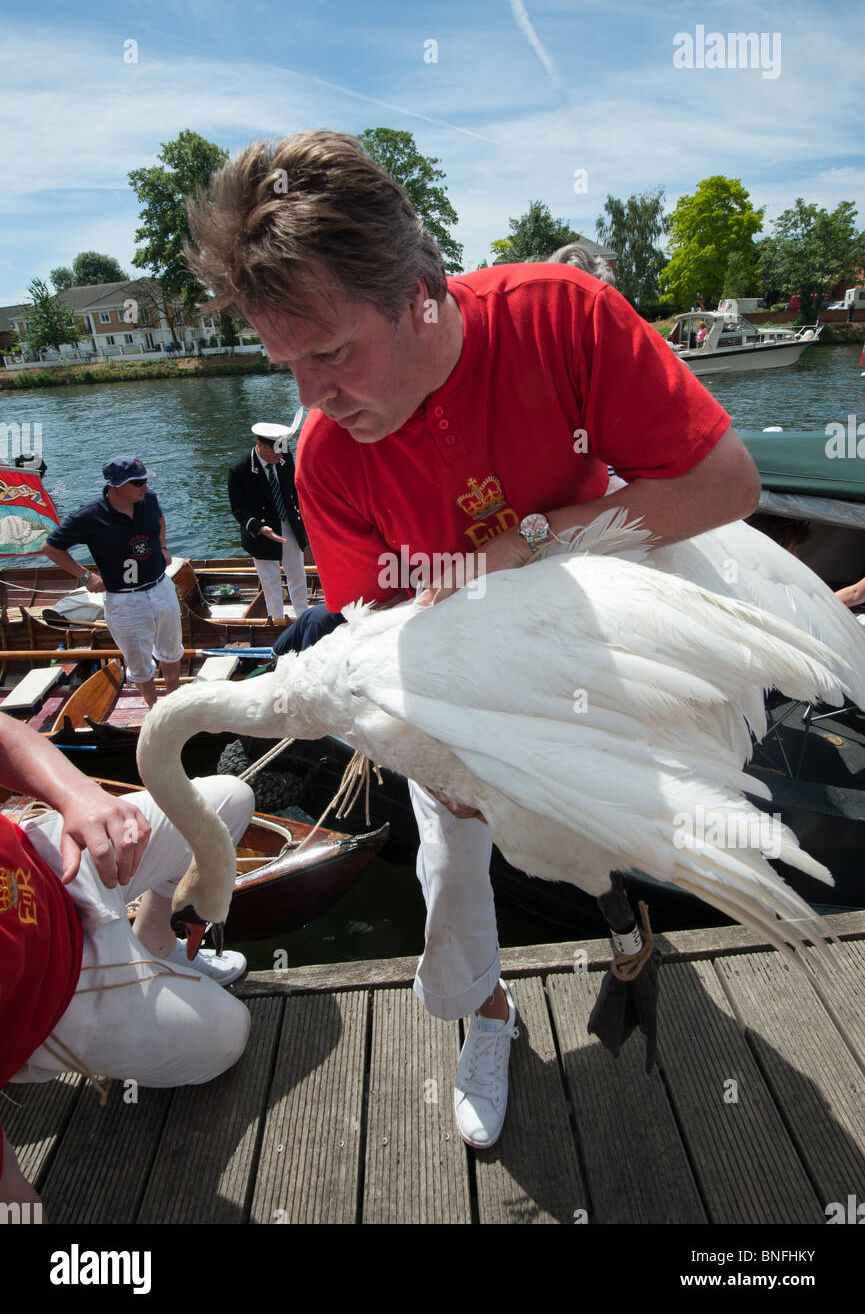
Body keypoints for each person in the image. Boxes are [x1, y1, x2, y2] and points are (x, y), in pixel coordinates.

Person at [185, 129, 761, 1150]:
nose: (314, 399)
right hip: (448, 677)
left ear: (419, 290)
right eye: (288, 364)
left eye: (331, 353)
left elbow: (727, 488)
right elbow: (381, 634)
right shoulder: (327, 459)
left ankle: (626, 921)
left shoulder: (561, 317)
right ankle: (485, 1017)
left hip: (593, 630)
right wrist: (436, 756)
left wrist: (526, 541)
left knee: (628, 825)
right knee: (452, 867)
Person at [0, 711, 251, 1210]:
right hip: (52, 995)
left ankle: (155, 942)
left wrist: (76, 794)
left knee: (225, 801)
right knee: (230, 1034)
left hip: (49, 862)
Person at [41, 456, 184, 710]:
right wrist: (85, 576)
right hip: (124, 599)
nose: (145, 487)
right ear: (115, 487)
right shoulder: (88, 516)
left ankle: (174, 704)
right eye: (138, 483)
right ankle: (154, 708)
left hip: (160, 587)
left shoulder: (148, 500)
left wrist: (162, 546)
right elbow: (51, 548)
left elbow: (160, 519)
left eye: (145, 481)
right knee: (138, 660)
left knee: (171, 650)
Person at [227, 422, 309, 621]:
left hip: (288, 524)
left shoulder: (284, 457)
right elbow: (238, 507)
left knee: (297, 575)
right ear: (260, 445)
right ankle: (277, 621)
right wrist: (259, 528)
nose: (280, 457)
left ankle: (305, 618)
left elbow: (294, 491)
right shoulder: (239, 470)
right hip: (261, 531)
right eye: (276, 452)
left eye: (282, 451)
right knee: (271, 582)